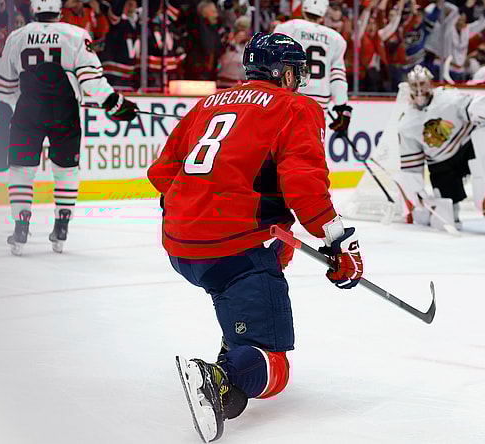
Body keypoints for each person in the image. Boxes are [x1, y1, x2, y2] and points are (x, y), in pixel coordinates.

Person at [146, 33, 364, 443]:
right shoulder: (297, 106)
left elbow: (161, 172)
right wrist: (339, 240)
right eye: (296, 73)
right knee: (274, 369)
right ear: (284, 73)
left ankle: (238, 339)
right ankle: (221, 375)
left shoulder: (208, 103)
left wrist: (192, 207)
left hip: (180, 243)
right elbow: (303, 183)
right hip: (232, 248)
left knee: (277, 249)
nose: (298, 81)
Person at [0, 0, 137, 256]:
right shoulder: (75, 34)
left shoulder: (17, 36)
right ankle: (61, 225)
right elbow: (91, 79)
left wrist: (26, 102)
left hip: (28, 110)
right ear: (59, 9)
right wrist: (113, 102)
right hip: (65, 110)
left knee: (21, 169)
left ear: (33, 9)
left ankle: (21, 225)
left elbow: (3, 85)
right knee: (66, 168)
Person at [397, 64, 485, 233]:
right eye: (414, 85)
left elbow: (475, 105)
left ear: (430, 83)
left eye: (422, 84)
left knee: (483, 140)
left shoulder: (448, 97)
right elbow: (411, 167)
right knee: (445, 218)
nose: (419, 90)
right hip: (441, 164)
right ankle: (452, 214)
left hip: (467, 149)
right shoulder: (406, 124)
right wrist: (417, 194)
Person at [274, 0, 351, 134]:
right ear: (323, 15)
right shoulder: (336, 38)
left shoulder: (287, 28)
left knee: (283, 145)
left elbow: (274, 62)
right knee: (312, 146)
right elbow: (337, 76)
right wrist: (341, 106)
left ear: (303, 10)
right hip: (319, 102)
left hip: (290, 96)